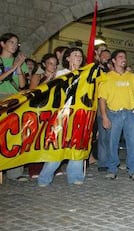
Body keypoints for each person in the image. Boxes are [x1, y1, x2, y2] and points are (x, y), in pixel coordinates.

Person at [99, 49, 134, 180]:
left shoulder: (131, 76)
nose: (124, 59)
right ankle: (112, 168)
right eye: (120, 57)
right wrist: (104, 117)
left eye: (125, 57)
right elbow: (102, 99)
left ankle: (133, 169)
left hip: (130, 114)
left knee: (132, 142)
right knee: (112, 143)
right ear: (114, 60)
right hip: (114, 114)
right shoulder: (107, 78)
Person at [37, 47, 86, 186]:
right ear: (68, 58)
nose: (78, 57)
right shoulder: (61, 73)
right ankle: (45, 177)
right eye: (75, 55)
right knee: (57, 145)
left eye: (80, 56)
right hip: (62, 114)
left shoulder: (85, 74)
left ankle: (75, 175)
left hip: (79, 113)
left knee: (77, 144)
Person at [0, 32, 28, 181]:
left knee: (15, 134)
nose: (14, 45)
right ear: (2, 44)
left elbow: (22, 85)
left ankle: (15, 172)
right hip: (0, 97)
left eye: (16, 43)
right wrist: (13, 67)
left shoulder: (19, 62)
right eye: (11, 42)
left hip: (14, 98)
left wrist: (18, 67)